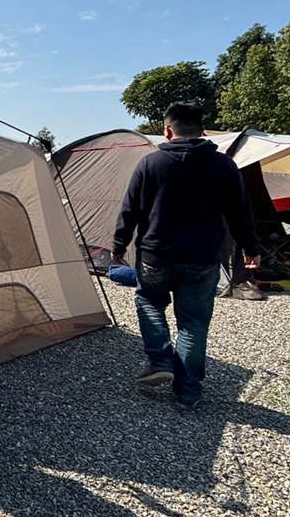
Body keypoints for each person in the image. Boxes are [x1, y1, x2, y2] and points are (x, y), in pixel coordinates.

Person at [111, 102, 260, 411]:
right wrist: (251, 248)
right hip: (202, 258)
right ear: (202, 130)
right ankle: (188, 393)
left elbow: (130, 209)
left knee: (149, 302)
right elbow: (240, 213)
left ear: (168, 130)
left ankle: (160, 358)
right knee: (192, 322)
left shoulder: (150, 164)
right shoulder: (223, 166)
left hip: (155, 254)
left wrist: (118, 245)